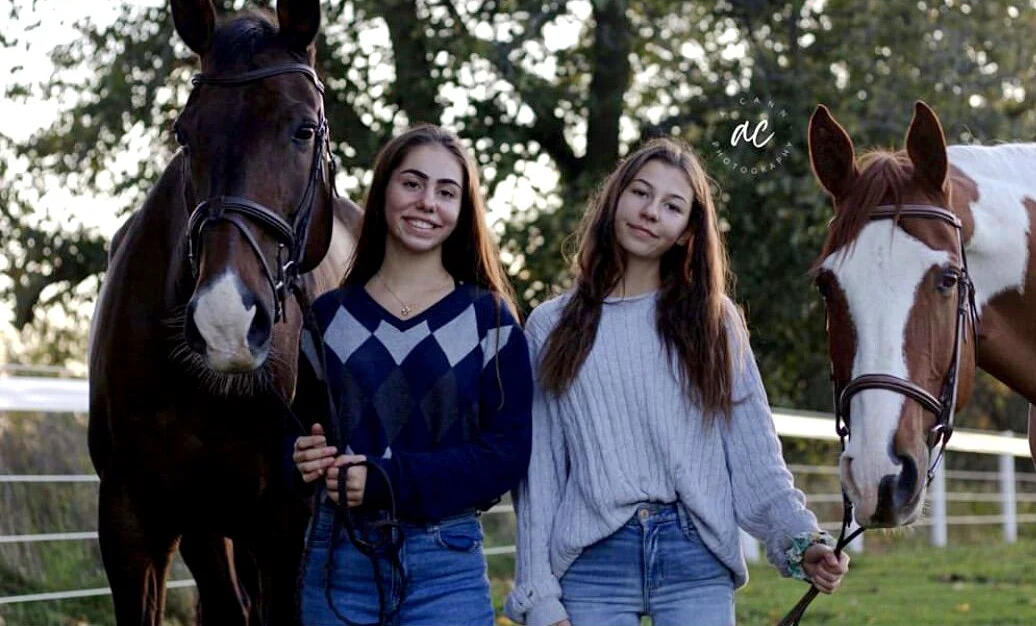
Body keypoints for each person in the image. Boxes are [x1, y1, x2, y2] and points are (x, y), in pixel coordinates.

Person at [504, 138, 848, 626]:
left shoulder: (715, 322)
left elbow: (755, 460)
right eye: (640, 193)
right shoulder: (550, 325)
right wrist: (539, 597)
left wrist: (802, 543)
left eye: (672, 205)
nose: (650, 212)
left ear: (688, 231)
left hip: (695, 559)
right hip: (592, 562)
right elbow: (538, 477)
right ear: (614, 199)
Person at [290, 123, 533, 626]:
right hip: (339, 566)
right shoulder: (328, 317)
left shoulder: (489, 319)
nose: (428, 202)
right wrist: (296, 453)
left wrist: (385, 480)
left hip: (445, 566)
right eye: (412, 183)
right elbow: (296, 432)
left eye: (447, 192)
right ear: (383, 191)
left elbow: (506, 455)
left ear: (464, 210)